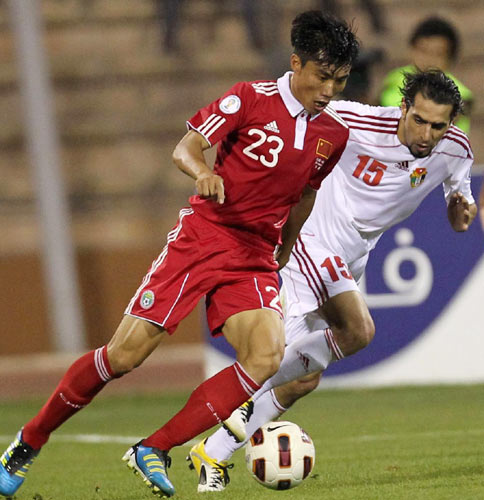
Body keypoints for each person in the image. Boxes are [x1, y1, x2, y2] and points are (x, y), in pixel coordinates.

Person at [0, 10, 360, 499]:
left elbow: (306, 194)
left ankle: (155, 448)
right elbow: (186, 148)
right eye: (323, 76)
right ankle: (29, 441)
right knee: (124, 356)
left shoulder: (333, 135)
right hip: (204, 238)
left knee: (265, 356)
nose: (329, 90)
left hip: (254, 254)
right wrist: (203, 173)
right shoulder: (249, 98)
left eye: (340, 80)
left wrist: (288, 245)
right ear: (296, 63)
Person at [187, 69, 477, 492]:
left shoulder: (455, 149)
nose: (426, 134)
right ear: (403, 107)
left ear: (451, 123)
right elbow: (295, 112)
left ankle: (213, 450)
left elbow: (459, 203)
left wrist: (460, 212)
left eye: (438, 125)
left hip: (353, 256)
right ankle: (230, 400)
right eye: (419, 120)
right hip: (312, 238)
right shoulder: (356, 120)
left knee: (302, 377)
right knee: (358, 330)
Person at [380, 16, 473, 133]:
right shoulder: (394, 78)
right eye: (423, 51)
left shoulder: (460, 94)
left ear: (450, 58)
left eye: (438, 54)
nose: (429, 59)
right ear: (411, 49)